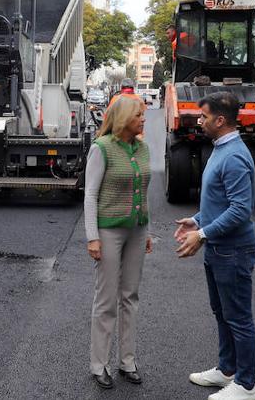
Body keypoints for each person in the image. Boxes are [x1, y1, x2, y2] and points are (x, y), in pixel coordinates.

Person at [175, 91, 255, 400]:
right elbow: (220, 201)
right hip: (219, 249)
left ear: (220, 120)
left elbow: (240, 209)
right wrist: (197, 221)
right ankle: (227, 371)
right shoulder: (221, 149)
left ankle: (247, 385)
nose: (200, 121)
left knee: (239, 318)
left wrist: (203, 235)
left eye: (204, 117)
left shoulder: (235, 155)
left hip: (233, 251)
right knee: (222, 313)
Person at [85, 94, 152, 389]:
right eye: (139, 115)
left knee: (130, 297)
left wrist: (146, 230)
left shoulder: (143, 148)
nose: (143, 120)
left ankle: (127, 361)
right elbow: (90, 195)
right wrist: (92, 238)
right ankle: (99, 364)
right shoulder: (102, 148)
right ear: (125, 118)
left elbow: (145, 193)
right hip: (109, 231)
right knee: (106, 299)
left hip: (136, 231)